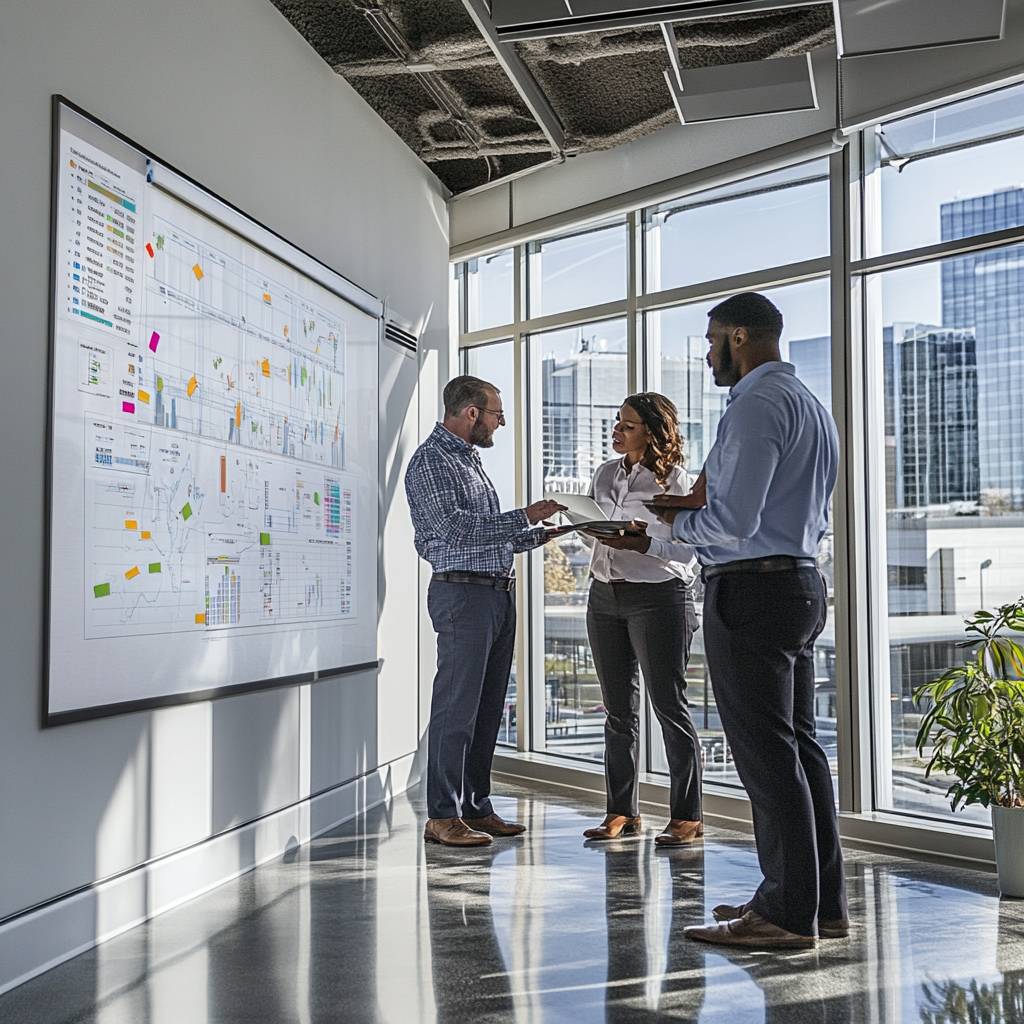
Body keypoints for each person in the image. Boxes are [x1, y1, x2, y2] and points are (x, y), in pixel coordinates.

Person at [649, 292, 848, 949]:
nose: (708, 355)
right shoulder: (810, 406)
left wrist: (665, 526)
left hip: (753, 592)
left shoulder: (756, 405)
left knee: (767, 758)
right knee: (799, 751)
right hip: (798, 584)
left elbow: (734, 522)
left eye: (712, 342)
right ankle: (818, 903)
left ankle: (785, 913)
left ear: (738, 337)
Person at [405, 375, 565, 848]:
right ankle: (442, 816)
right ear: (471, 412)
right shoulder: (432, 461)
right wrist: (526, 515)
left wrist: (541, 535)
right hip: (463, 597)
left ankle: (475, 806)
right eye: (497, 413)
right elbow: (455, 531)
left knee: (487, 708)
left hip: (495, 594)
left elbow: (485, 536)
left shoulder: (468, 460)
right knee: (456, 709)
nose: (501, 422)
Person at [578, 393, 704, 846]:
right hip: (603, 595)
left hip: (659, 599)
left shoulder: (678, 482)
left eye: (627, 426)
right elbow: (592, 532)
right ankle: (621, 812)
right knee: (617, 712)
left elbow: (690, 553)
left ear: (651, 432)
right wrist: (585, 527)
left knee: (669, 707)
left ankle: (687, 816)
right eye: (617, 422)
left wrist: (644, 543)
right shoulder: (604, 474)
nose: (616, 430)